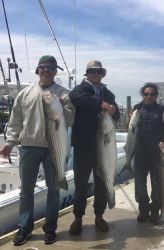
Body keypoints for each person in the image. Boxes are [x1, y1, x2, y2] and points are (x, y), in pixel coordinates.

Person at [0, 55, 75, 246]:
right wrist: (9, 143)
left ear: (55, 71)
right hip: (28, 147)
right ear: (37, 70)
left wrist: (64, 104)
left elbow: (71, 119)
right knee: (26, 191)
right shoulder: (25, 94)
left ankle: (50, 228)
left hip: (54, 148)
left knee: (54, 189)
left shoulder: (64, 93)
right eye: (43, 67)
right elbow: (15, 122)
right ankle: (24, 228)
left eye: (50, 67)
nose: (46, 70)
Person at [68, 60, 120, 235]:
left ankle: (99, 216)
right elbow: (75, 98)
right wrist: (101, 104)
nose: (96, 74)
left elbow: (118, 114)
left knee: (102, 183)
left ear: (103, 74)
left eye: (99, 72)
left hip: (103, 146)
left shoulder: (108, 92)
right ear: (87, 73)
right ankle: (78, 218)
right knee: (81, 184)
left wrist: (113, 109)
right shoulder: (80, 89)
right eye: (93, 71)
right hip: (83, 146)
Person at [132, 83, 164, 223]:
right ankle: (144, 209)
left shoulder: (163, 110)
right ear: (142, 95)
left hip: (157, 154)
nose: (149, 96)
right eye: (146, 94)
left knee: (157, 184)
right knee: (140, 185)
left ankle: (155, 210)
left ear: (156, 95)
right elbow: (131, 129)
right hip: (140, 153)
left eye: (152, 94)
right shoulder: (137, 109)